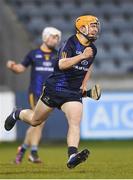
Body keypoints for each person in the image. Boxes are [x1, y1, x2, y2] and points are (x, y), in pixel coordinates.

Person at [5, 15, 100, 168]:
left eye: (96, 26)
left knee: (75, 121)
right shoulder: (69, 43)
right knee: (35, 121)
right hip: (54, 89)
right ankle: (17, 113)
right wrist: (82, 55)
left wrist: (84, 83)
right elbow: (62, 64)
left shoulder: (93, 49)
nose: (95, 30)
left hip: (73, 93)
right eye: (92, 26)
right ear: (82, 28)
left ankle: (72, 155)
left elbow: (88, 66)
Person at [6, 27, 62, 164]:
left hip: (50, 95)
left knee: (36, 123)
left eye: (57, 38)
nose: (55, 40)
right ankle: (33, 153)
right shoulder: (34, 54)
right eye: (53, 37)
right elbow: (20, 68)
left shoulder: (58, 56)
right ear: (45, 37)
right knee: (39, 122)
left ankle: (23, 151)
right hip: (35, 93)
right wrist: (13, 66)